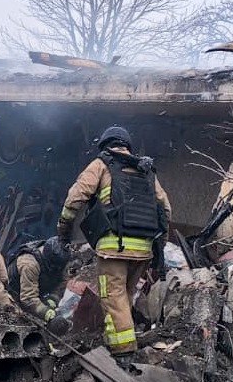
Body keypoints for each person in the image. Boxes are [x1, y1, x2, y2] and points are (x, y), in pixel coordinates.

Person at [58, 126, 170, 362]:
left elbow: (75, 198)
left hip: (114, 248)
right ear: (127, 146)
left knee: (113, 296)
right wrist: (160, 246)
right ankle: (116, 340)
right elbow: (165, 208)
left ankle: (123, 354)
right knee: (124, 296)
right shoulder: (146, 170)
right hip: (144, 249)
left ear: (105, 145)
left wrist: (64, 231)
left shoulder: (102, 164)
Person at [10, 236, 72, 323]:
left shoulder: (61, 261)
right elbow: (28, 298)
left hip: (37, 290)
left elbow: (63, 280)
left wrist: (53, 298)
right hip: (15, 293)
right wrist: (46, 312)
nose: (58, 270)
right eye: (55, 268)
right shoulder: (29, 264)